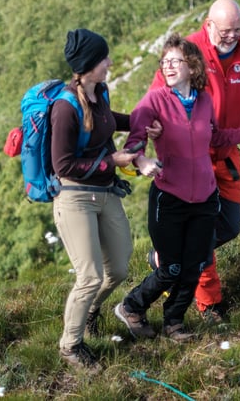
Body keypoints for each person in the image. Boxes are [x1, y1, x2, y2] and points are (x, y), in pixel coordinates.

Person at [114, 35, 240, 342]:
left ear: (193, 66)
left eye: (176, 61)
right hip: (169, 197)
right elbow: (134, 142)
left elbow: (216, 137)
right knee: (171, 268)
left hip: (205, 197)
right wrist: (142, 161)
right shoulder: (154, 101)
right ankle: (131, 306)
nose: (169, 66)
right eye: (165, 61)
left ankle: (174, 322)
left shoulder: (203, 101)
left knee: (196, 264)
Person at [148, 0, 240, 322]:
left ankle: (168, 258)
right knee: (200, 229)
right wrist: (154, 126)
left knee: (229, 225)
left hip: (226, 151)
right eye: (225, 31)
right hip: (191, 158)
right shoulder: (189, 51)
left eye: (236, 30)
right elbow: (156, 96)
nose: (231, 36)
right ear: (209, 24)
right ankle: (209, 304)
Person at [51, 28, 159, 371]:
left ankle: (91, 311)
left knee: (120, 267)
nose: (109, 62)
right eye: (103, 59)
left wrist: (143, 124)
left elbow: (108, 123)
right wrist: (111, 161)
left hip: (105, 192)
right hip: (75, 197)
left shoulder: (100, 92)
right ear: (87, 65)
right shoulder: (64, 108)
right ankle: (71, 345)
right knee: (90, 276)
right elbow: (62, 165)